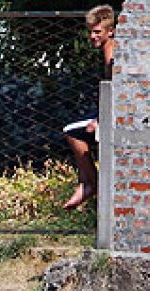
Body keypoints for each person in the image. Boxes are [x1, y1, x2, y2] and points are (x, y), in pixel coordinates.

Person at [61, 5, 116, 210]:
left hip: (114, 111)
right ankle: (86, 183)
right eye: (90, 31)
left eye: (97, 31)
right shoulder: (107, 50)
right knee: (75, 131)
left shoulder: (112, 54)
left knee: (72, 132)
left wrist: (101, 120)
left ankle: (92, 185)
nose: (92, 36)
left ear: (110, 31)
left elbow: (118, 91)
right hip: (107, 108)